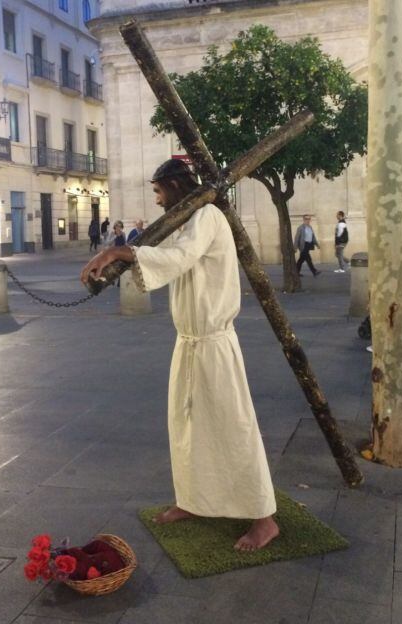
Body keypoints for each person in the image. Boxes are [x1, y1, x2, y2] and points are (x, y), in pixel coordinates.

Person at [80, 159, 278, 551]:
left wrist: (120, 254)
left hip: (214, 345)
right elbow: (163, 258)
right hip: (189, 343)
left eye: (157, 192)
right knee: (187, 426)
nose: (156, 201)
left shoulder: (206, 216)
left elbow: (178, 258)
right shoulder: (185, 221)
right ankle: (194, 501)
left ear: (173, 185)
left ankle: (264, 518)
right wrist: (121, 254)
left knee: (233, 427)